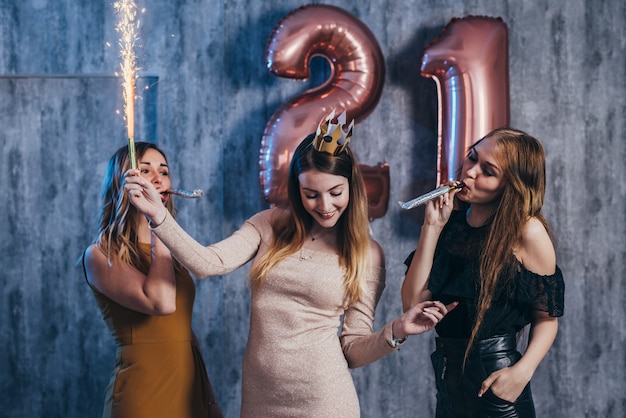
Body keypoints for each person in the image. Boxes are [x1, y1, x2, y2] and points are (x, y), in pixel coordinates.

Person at [123, 111, 456, 417]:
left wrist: (395, 331)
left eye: (335, 193)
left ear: (351, 187)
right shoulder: (269, 224)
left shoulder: (367, 253)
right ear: (297, 191)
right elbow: (209, 263)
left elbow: (353, 348)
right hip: (260, 399)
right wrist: (158, 215)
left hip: (325, 401)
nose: (325, 206)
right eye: (311, 195)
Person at [401, 127, 565, 417]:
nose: (470, 172)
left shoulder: (527, 232)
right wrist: (431, 229)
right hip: (448, 388)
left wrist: (522, 372)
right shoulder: (449, 223)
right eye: (472, 158)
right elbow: (411, 305)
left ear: (510, 185)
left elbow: (547, 320)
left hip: (497, 389)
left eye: (488, 171)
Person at [83, 142, 222, 418]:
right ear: (123, 182)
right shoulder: (100, 254)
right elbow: (161, 303)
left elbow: (183, 331)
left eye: (164, 171)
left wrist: (211, 401)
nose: (158, 179)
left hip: (190, 393)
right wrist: (159, 224)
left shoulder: (172, 255)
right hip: (142, 396)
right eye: (145, 170)